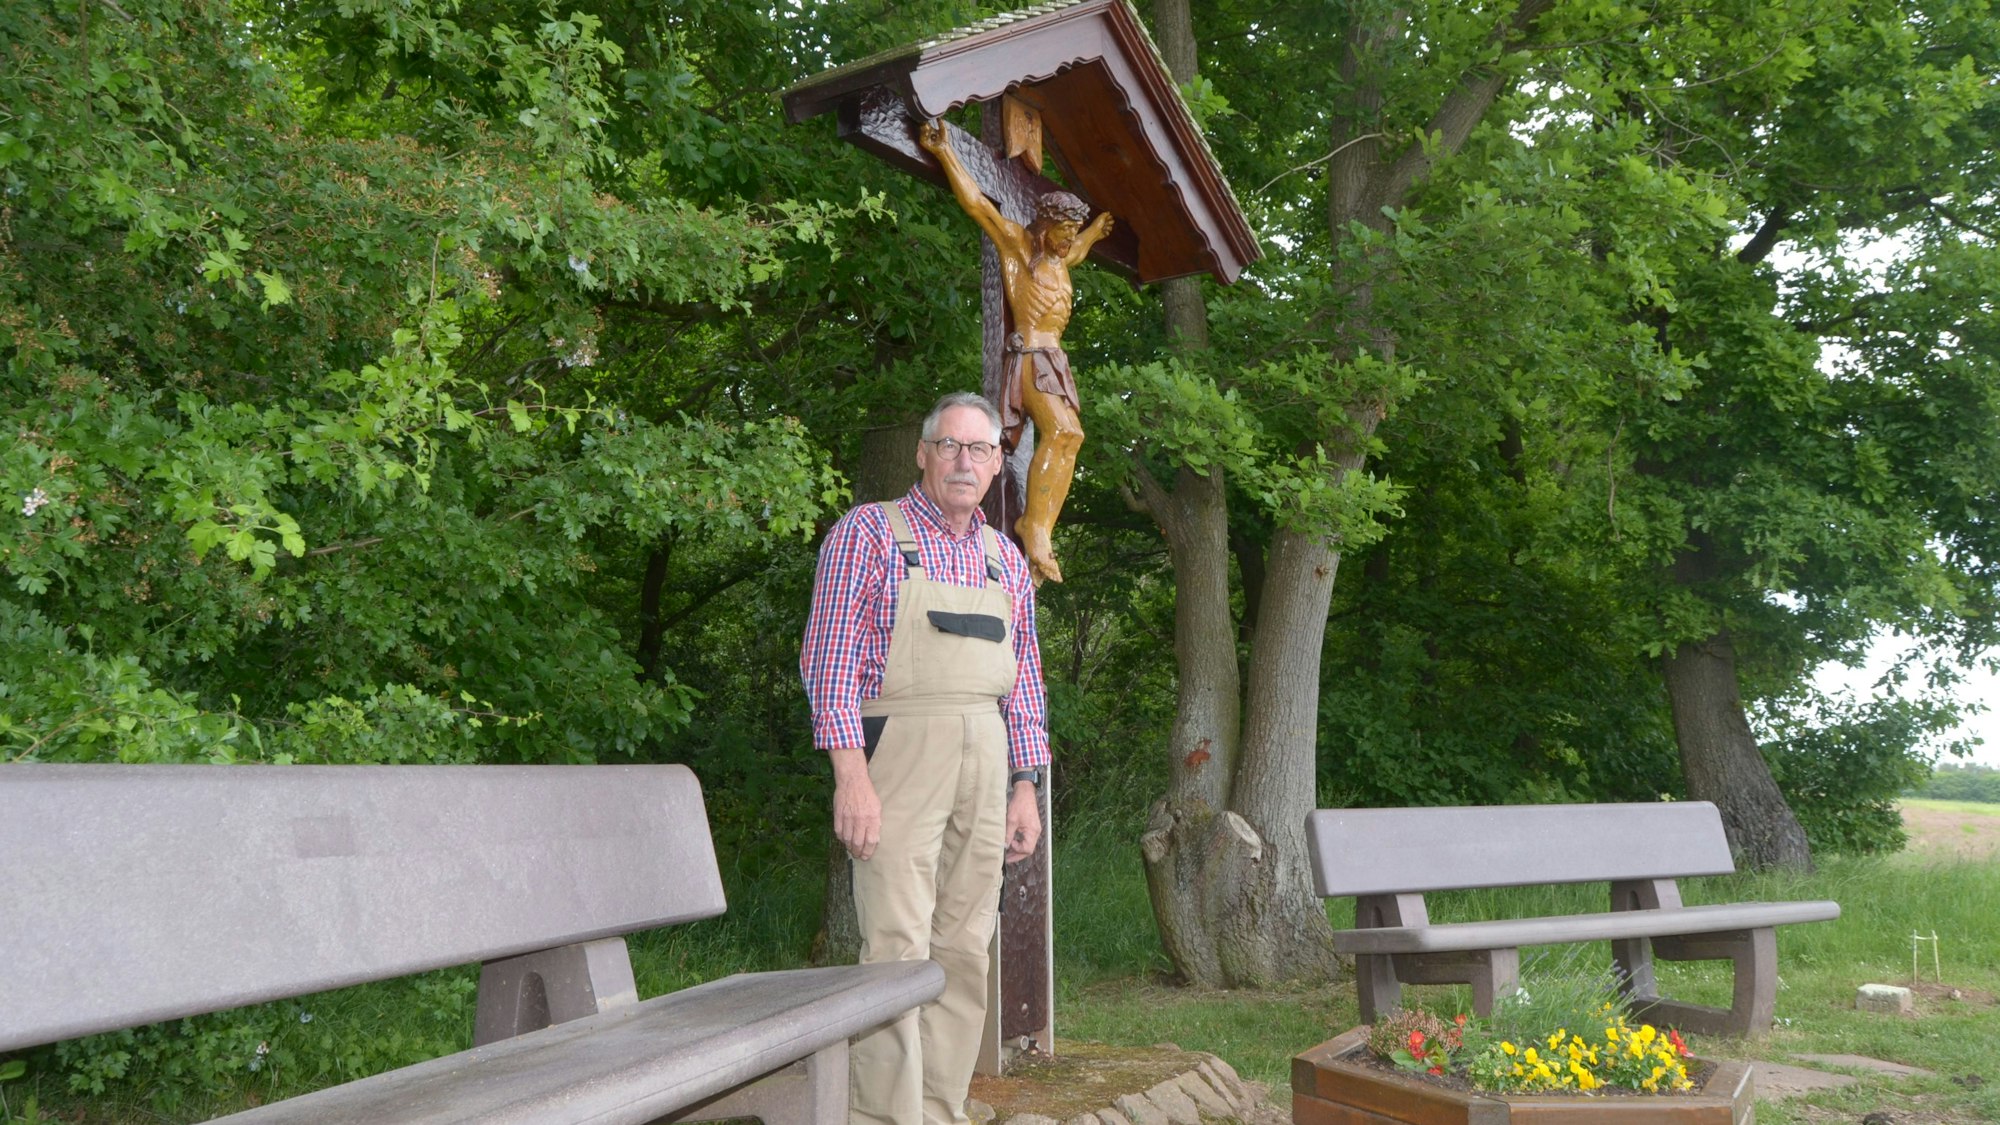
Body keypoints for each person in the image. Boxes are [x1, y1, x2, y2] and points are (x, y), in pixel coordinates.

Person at [800, 391, 1050, 1125]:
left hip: (988, 758)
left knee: (966, 948)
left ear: (998, 463)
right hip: (898, 759)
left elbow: (1025, 679)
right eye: (949, 446)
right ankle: (884, 1118)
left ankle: (941, 1110)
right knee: (897, 949)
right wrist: (852, 778)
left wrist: (1026, 785)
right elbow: (829, 664)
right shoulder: (870, 534)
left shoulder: (1006, 558)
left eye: (979, 449)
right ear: (923, 453)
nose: (964, 462)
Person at [917, 119, 1116, 586]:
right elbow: (976, 204)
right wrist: (947, 151)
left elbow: (1080, 251)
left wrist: (1095, 232)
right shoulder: (1017, 246)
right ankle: (1036, 528)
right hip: (1028, 354)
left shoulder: (1061, 256)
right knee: (1063, 429)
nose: (1068, 241)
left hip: (1055, 359)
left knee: (1071, 437)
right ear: (1043, 225)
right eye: (1063, 232)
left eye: (1072, 233)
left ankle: (1039, 523)